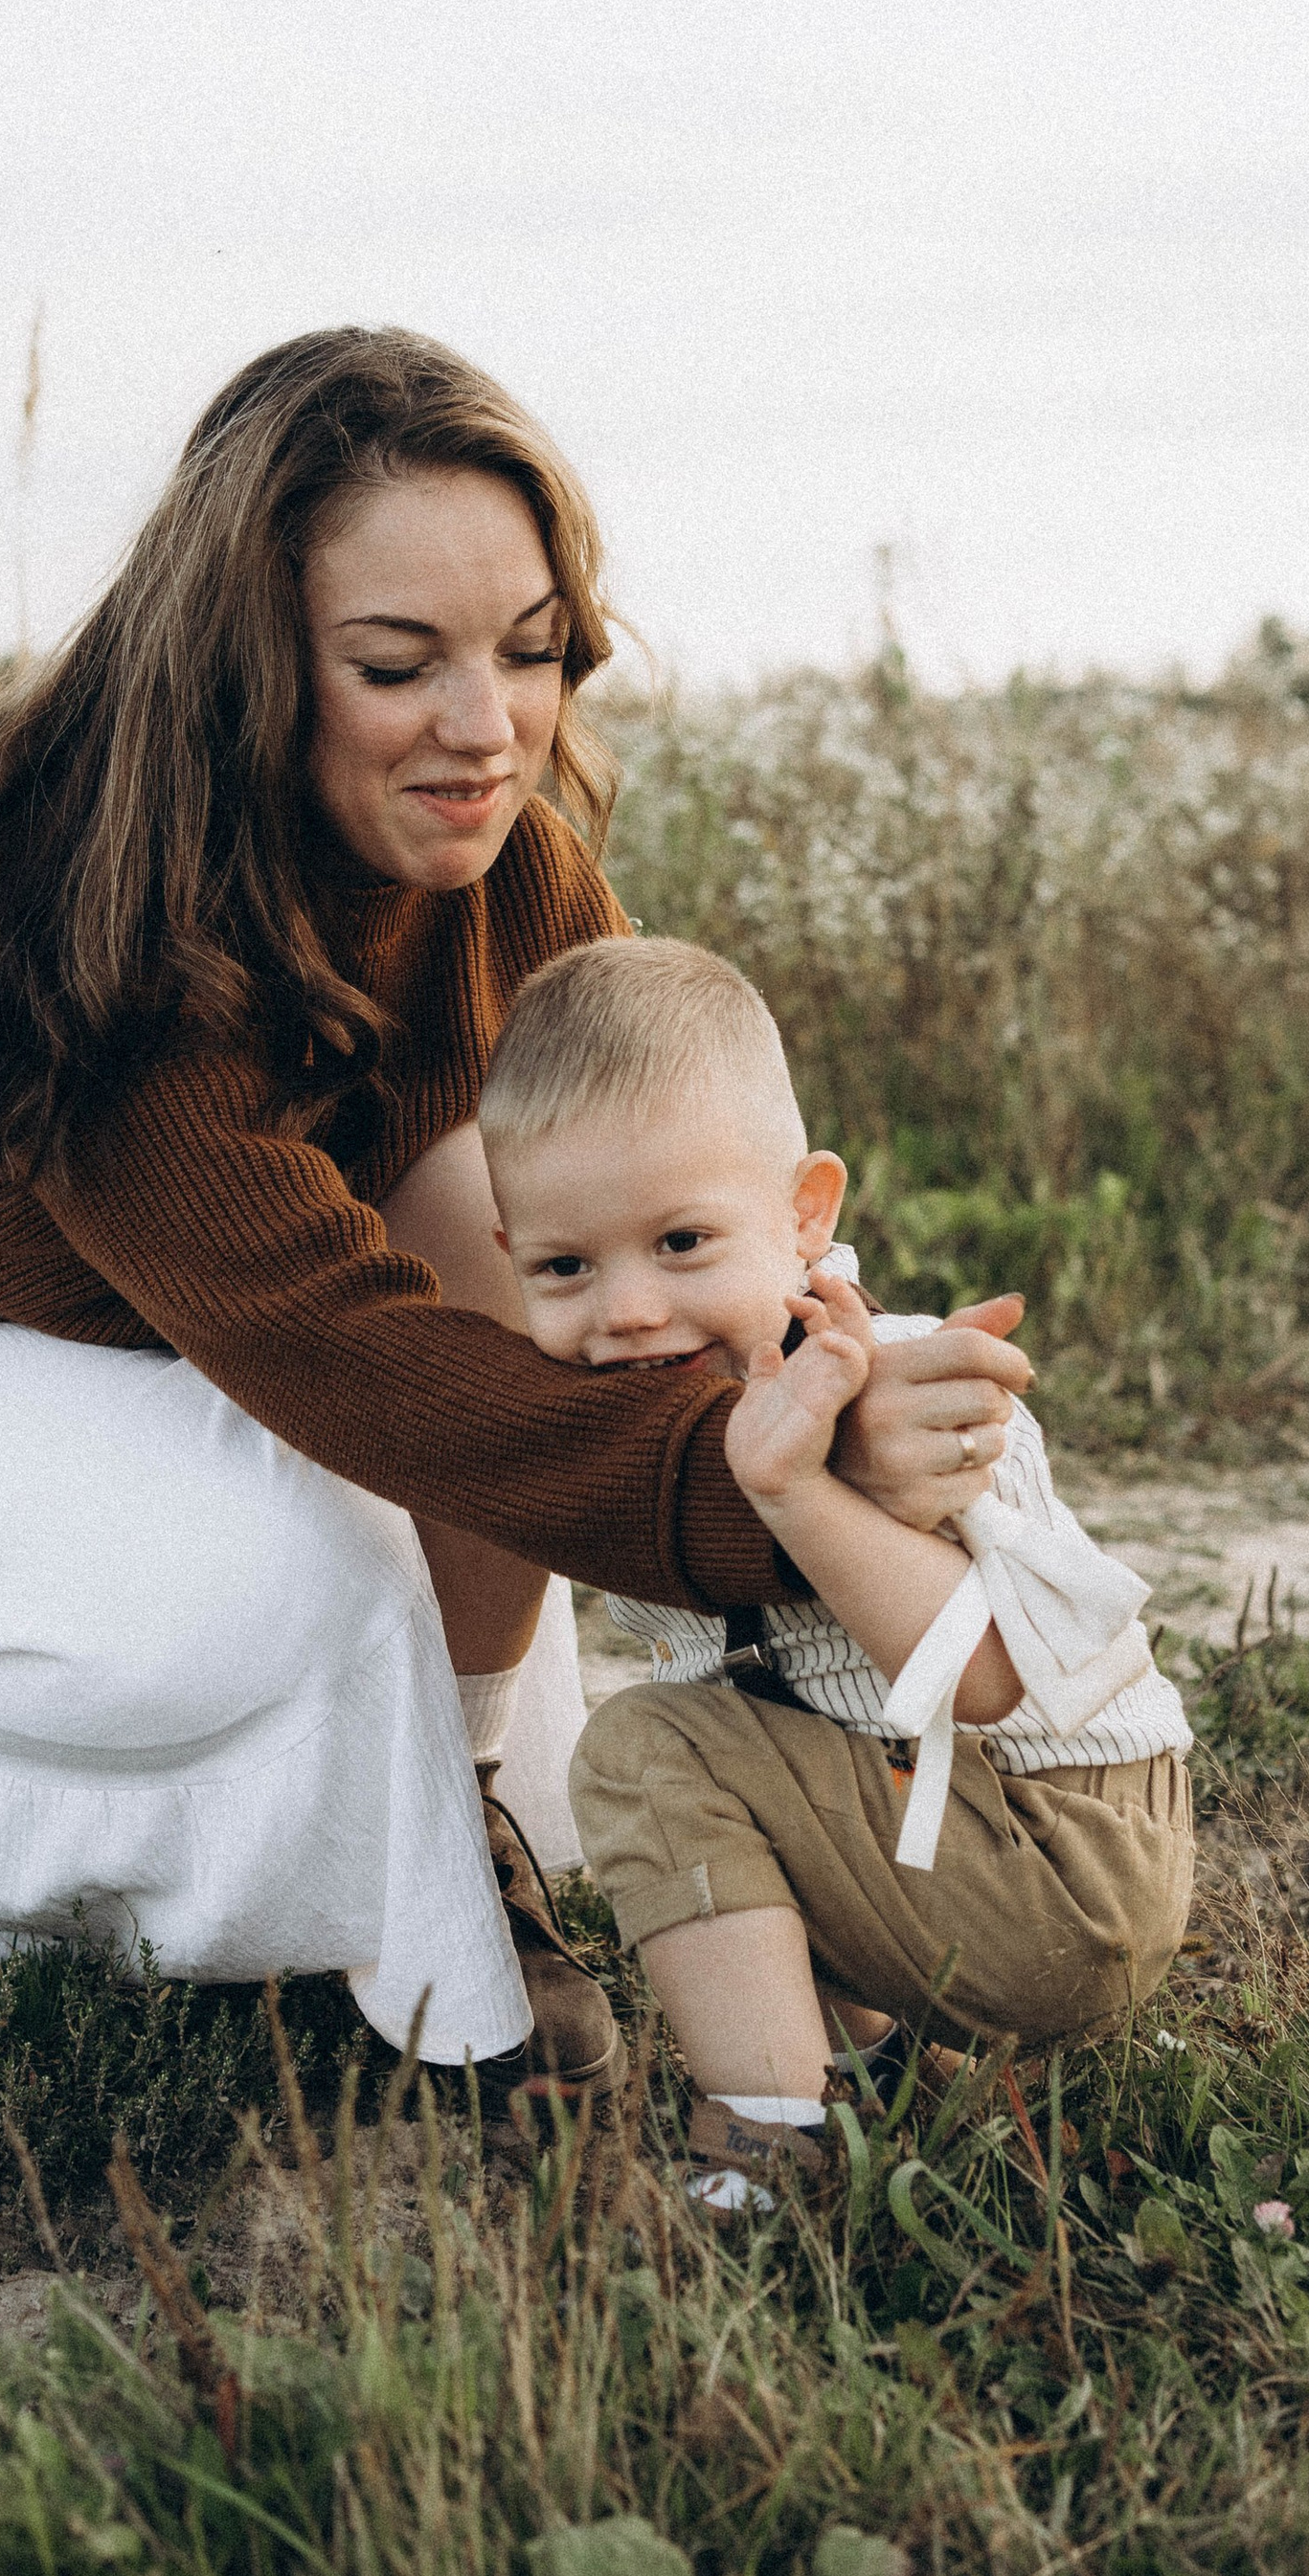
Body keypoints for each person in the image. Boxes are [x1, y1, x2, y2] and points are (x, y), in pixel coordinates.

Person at [0, 328, 1031, 2108]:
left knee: (513, 1197)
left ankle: (453, 1806)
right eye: (402, 667)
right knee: (303, 1585)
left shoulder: (508, 860)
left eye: (531, 653)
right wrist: (748, 1489)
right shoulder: (84, 902)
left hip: (191, 1348)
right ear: (250, 663)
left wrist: (840, 1376)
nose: (488, 729)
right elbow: (343, 1349)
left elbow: (653, 1187)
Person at [474, 933, 1194, 2204]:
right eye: (565, 1268)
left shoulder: (907, 1395)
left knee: (649, 1751)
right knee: (734, 1738)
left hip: (1065, 1857)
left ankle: (773, 2148)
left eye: (684, 1242)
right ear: (509, 1256)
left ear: (807, 1214)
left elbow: (979, 1678)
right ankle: (870, 2076)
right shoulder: (644, 1440)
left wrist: (799, 1489)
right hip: (949, 1851)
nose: (628, 1310)